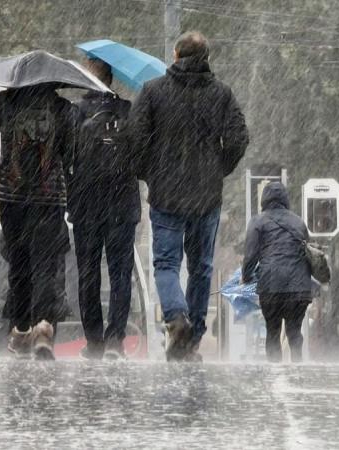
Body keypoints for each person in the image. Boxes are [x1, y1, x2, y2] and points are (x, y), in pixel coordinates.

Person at [130, 31, 249, 361]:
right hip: (206, 197)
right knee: (201, 267)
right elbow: (239, 139)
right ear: (207, 57)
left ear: (176, 56)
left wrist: (150, 172)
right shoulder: (221, 94)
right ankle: (193, 335)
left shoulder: (153, 91)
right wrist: (217, 170)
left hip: (166, 193)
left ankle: (175, 317)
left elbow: (135, 139)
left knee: (166, 263)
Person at [0, 84, 74, 360]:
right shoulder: (62, 107)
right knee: (45, 266)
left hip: (12, 197)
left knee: (19, 265)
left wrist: (8, 98)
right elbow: (70, 150)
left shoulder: (6, 100)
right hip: (49, 198)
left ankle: (21, 330)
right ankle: (43, 327)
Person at [67, 59, 139, 360]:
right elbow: (141, 154)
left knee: (88, 273)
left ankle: (94, 339)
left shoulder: (76, 112)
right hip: (122, 204)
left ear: (86, 79)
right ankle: (115, 339)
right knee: (121, 273)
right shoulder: (128, 110)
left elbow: (67, 157)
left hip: (86, 205)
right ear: (111, 79)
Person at [242, 182, 312, 363]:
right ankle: (298, 366)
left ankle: (274, 370)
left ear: (264, 199)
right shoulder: (299, 222)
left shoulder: (258, 222)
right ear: (285, 199)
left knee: (272, 330)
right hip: (299, 288)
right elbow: (307, 253)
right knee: (294, 330)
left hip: (271, 285)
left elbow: (251, 255)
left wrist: (247, 277)